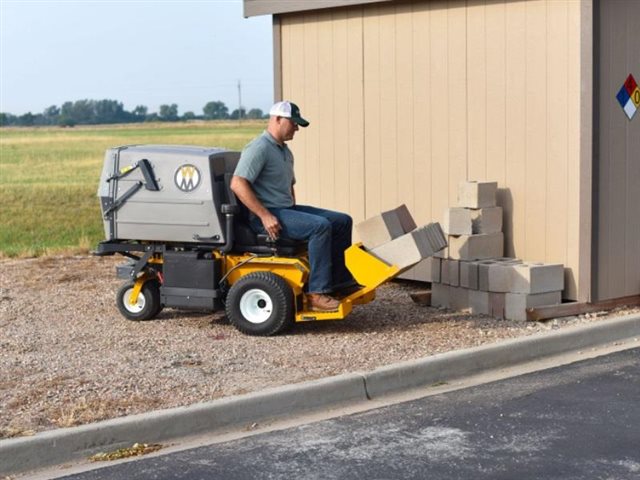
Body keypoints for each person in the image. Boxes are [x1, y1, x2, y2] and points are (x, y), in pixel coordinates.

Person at [230, 101, 360, 312]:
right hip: (267, 216)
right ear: (277, 119)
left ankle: (338, 281)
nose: (297, 129)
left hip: (286, 210)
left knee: (342, 220)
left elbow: (290, 186)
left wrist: (296, 213)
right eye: (294, 123)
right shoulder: (259, 148)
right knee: (319, 226)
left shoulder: (284, 151)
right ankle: (317, 293)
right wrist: (264, 216)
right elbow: (237, 183)